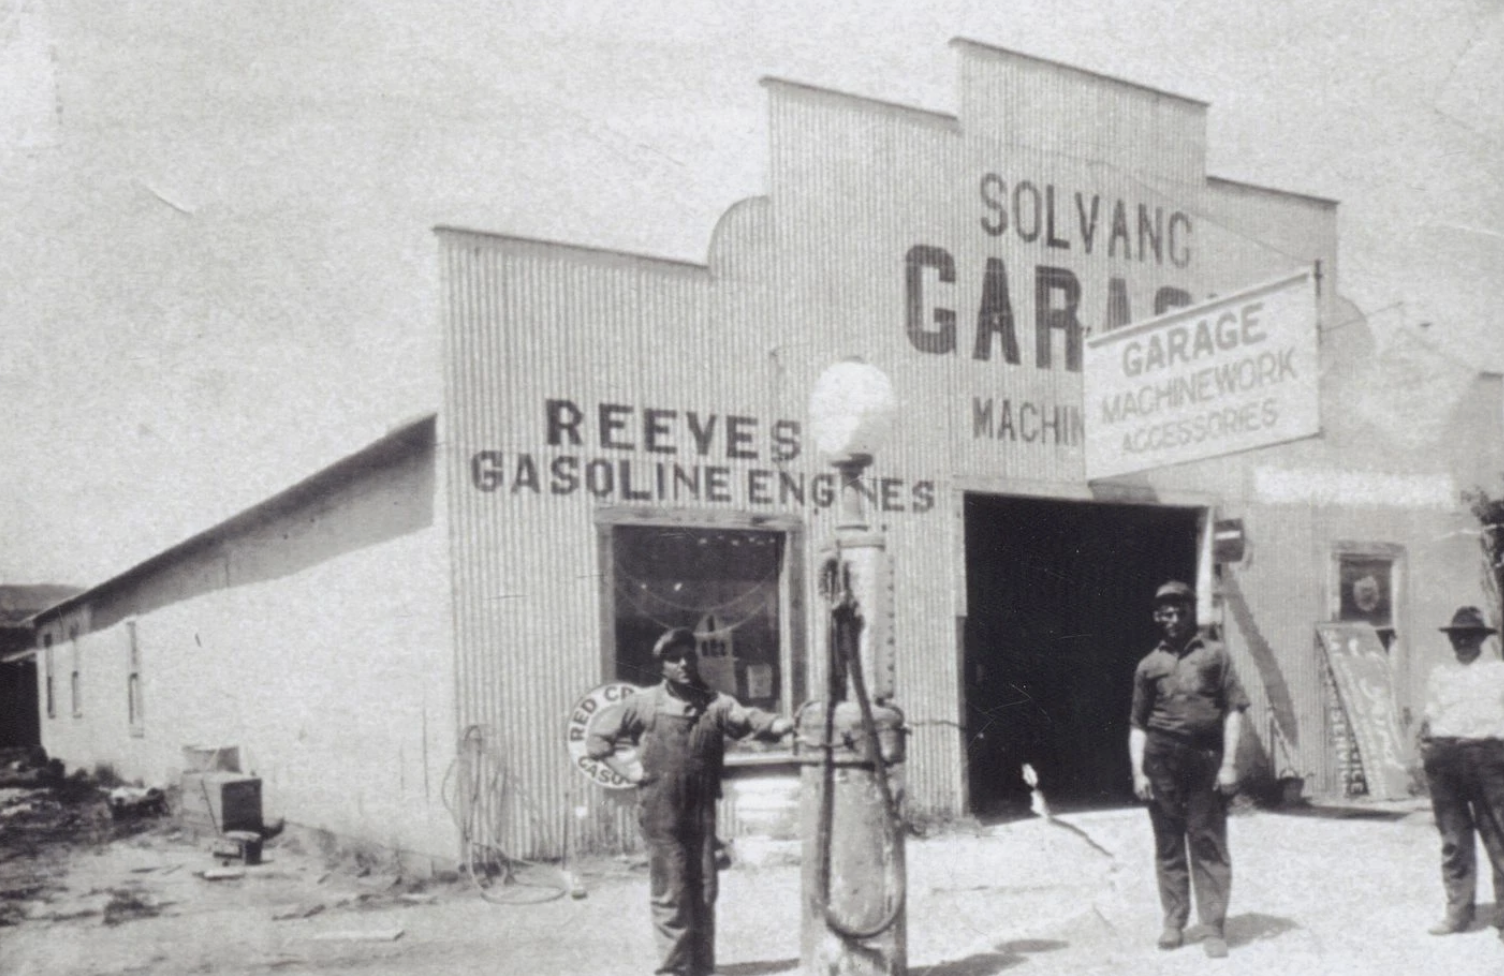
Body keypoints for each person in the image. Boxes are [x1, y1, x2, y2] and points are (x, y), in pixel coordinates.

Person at [587, 627, 795, 976]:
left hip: (701, 811)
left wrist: (786, 724)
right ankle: (674, 969)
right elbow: (597, 741)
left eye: (688, 657)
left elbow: (750, 722)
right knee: (672, 892)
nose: (683, 664)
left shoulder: (715, 703)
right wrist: (631, 774)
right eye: (674, 659)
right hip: (661, 812)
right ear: (663, 666)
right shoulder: (643, 703)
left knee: (704, 889)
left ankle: (701, 968)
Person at [1128, 580, 1249, 959]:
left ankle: (1213, 926)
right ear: (1156, 617)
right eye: (1167, 611)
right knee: (1168, 845)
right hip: (1161, 761)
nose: (1174, 617)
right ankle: (1174, 922)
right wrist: (1138, 772)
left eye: (1181, 610)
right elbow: (1137, 724)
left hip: (1205, 760)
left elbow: (1233, 710)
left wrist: (1229, 764)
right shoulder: (1148, 665)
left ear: (1191, 612)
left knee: (1207, 840)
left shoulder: (1215, 655)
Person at [1418, 605, 1504, 941]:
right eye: (1457, 636)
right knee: (1453, 839)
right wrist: (1428, 748)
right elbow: (1431, 715)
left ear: (1482, 639)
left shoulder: (1498, 671)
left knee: (1498, 835)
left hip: (1487, 757)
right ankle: (1458, 912)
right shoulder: (1440, 672)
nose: (1462, 642)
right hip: (1445, 756)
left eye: (1469, 635)